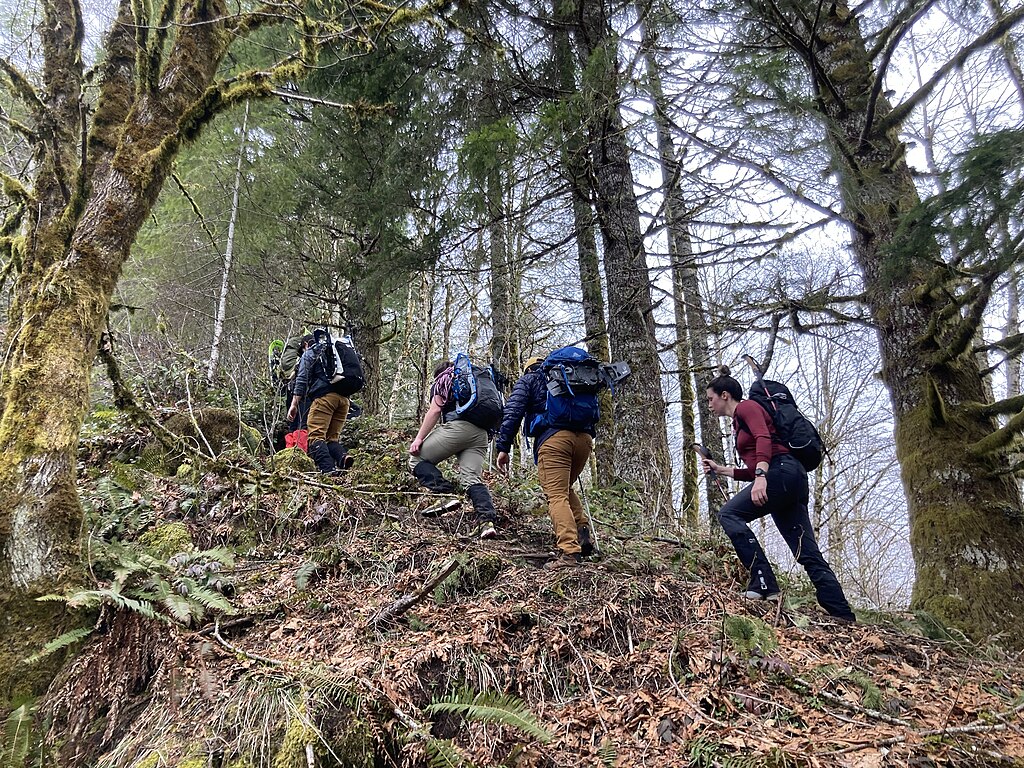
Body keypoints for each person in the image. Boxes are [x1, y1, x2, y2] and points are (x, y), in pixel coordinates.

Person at [701, 366, 856, 622]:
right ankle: (841, 612)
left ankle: (763, 581)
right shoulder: (739, 422)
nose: (709, 404)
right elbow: (754, 466)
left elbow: (763, 439)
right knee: (805, 550)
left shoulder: (747, 408)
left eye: (710, 398)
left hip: (780, 472)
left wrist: (762, 476)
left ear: (725, 395)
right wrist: (723, 470)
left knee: (729, 515)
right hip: (789, 477)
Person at [495, 355, 596, 570]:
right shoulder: (569, 376)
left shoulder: (529, 380)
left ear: (528, 368)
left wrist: (503, 447)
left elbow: (513, 412)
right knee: (564, 488)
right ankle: (582, 533)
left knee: (556, 494)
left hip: (554, 440)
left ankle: (569, 552)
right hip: (584, 440)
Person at [409, 360, 499, 540]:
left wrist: (418, 439)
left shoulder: (444, 378)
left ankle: (445, 494)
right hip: (481, 435)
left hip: (458, 429)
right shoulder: (478, 381)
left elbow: (435, 410)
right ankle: (486, 523)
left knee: (415, 460)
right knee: (471, 478)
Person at [287, 332, 353, 474]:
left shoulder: (311, 351)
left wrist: (294, 404)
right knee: (331, 439)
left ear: (305, 345)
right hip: (344, 400)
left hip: (324, 398)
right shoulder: (335, 351)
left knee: (315, 437)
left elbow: (302, 380)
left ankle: (328, 470)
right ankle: (343, 457)